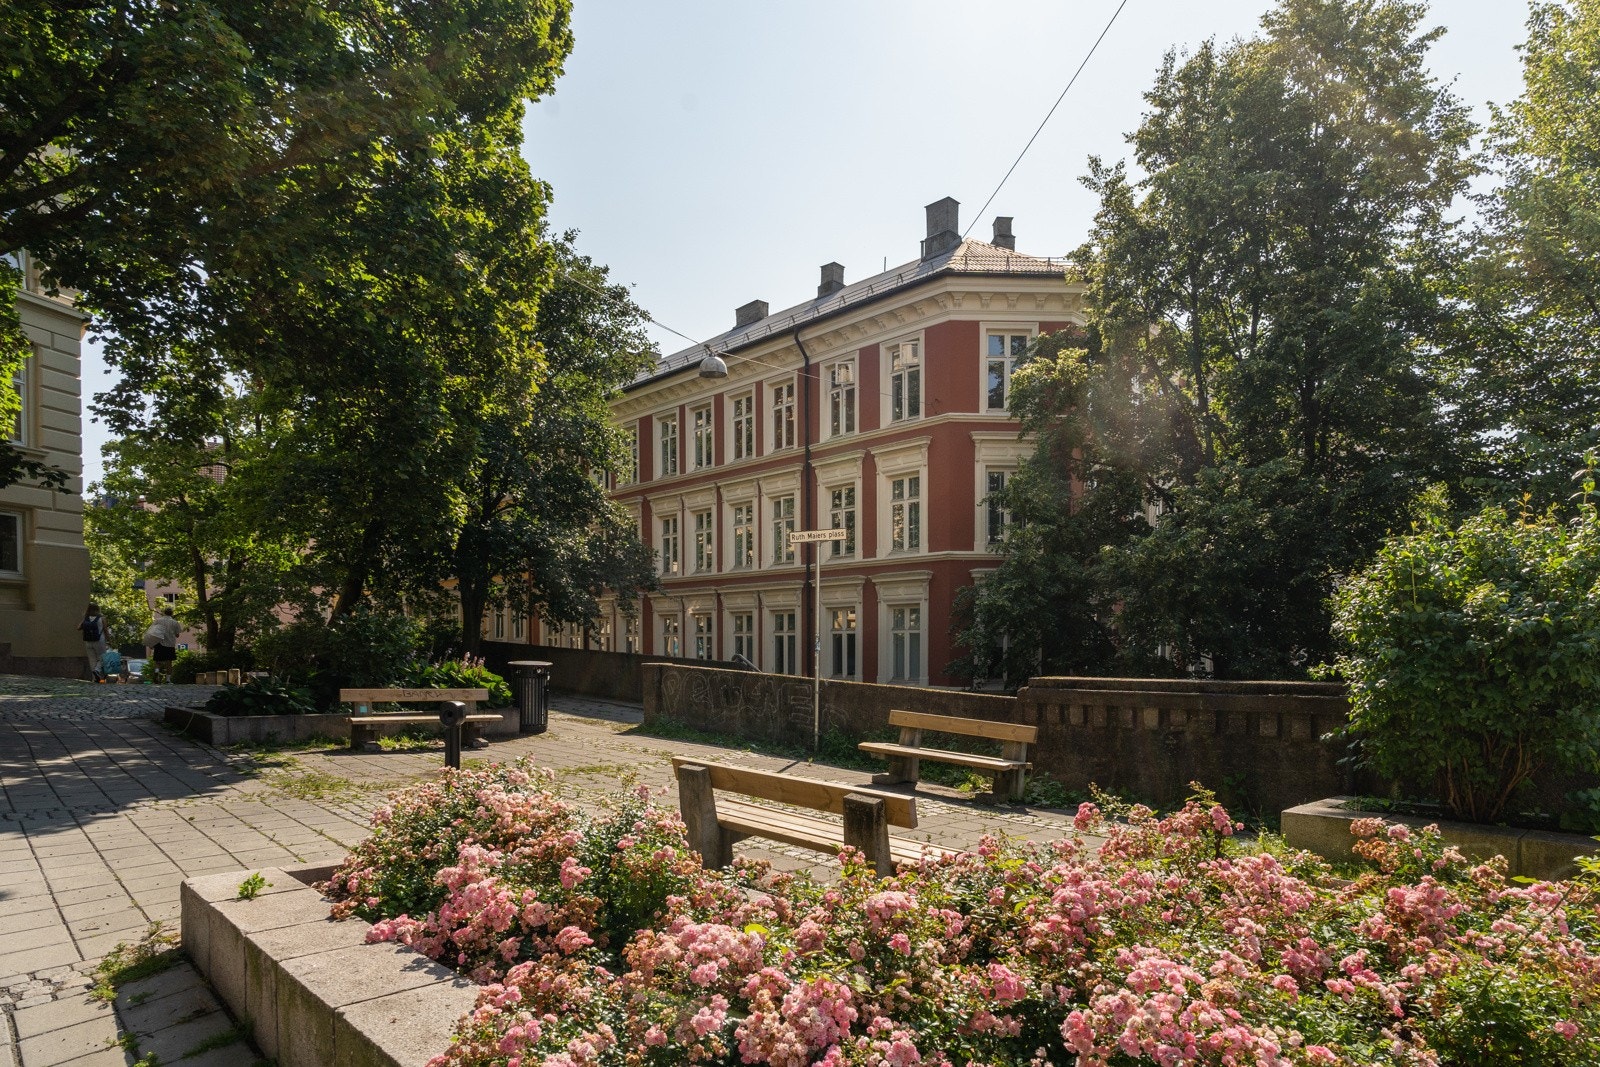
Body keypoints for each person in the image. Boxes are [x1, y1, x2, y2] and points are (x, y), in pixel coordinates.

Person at [145, 608, 182, 683]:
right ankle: (168, 680)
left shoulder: (158, 621)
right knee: (169, 662)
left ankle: (156, 672)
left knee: (157, 662)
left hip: (159, 644)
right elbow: (177, 635)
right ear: (172, 613)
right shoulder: (175, 622)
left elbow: (152, 631)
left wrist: (151, 643)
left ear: (164, 613)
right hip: (170, 645)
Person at [79, 603, 109, 682]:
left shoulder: (86, 618)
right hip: (99, 641)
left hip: (88, 641)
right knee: (102, 657)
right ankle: (97, 670)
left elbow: (78, 627)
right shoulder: (102, 618)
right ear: (98, 609)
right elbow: (105, 630)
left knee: (92, 659)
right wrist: (109, 640)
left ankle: (95, 678)